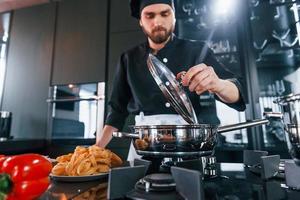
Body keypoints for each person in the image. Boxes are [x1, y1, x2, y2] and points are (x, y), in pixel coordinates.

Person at [96, 0, 246, 158]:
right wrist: (96, 150)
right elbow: (117, 111)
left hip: (190, 143)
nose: (157, 21)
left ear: (174, 17)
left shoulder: (197, 51)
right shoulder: (128, 58)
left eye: (165, 14)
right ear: (140, 20)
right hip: (145, 144)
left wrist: (219, 85)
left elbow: (238, 91)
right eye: (149, 15)